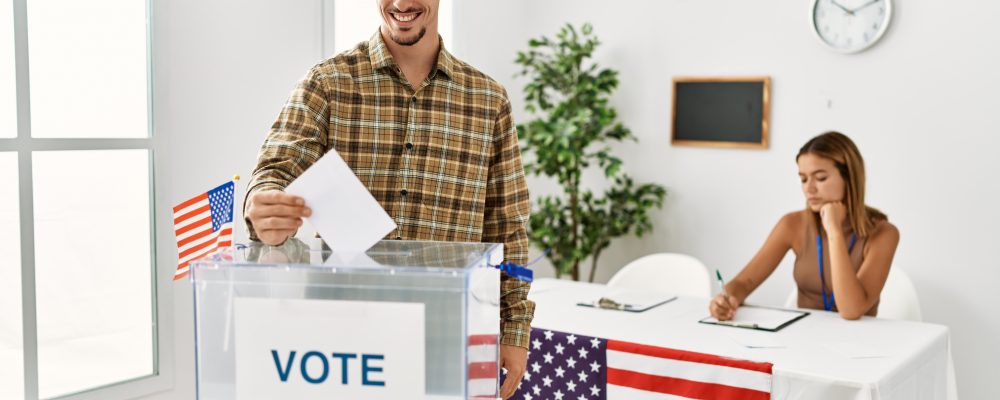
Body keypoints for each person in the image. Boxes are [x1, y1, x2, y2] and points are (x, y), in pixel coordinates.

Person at [242, 1, 532, 397]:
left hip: (447, 328)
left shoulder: (488, 99)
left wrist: (514, 327)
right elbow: (276, 169)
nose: (401, 3)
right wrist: (263, 206)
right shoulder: (327, 82)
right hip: (344, 338)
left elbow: (507, 224)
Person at [709, 131, 900, 321]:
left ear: (849, 178)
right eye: (803, 179)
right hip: (804, 340)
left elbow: (851, 310)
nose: (809, 189)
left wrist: (833, 230)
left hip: (862, 344)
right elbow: (743, 282)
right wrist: (726, 299)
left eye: (820, 178)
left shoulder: (884, 233)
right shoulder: (792, 225)